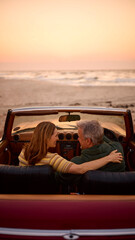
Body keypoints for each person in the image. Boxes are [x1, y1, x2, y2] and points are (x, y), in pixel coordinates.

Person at [19, 121, 123, 175]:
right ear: (46, 138)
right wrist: (108, 158)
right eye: (56, 135)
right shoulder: (53, 159)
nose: (58, 138)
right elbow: (80, 169)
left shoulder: (23, 152)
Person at [56, 120, 125, 185]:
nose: (77, 139)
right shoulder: (117, 150)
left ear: (88, 141)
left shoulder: (77, 163)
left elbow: (59, 177)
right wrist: (97, 133)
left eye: (79, 137)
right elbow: (107, 140)